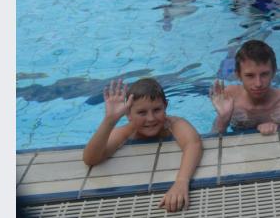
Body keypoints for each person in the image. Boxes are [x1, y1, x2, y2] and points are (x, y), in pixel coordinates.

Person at [83, 78, 202, 213]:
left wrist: (181, 182)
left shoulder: (174, 124)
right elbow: (90, 159)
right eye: (142, 113)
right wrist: (110, 120)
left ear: (166, 107)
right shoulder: (126, 132)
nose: (150, 118)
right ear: (128, 114)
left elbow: (193, 144)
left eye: (157, 110)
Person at [209, 40, 280, 135]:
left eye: (264, 74)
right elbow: (214, 137)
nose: (258, 84)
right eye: (250, 75)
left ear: (274, 73)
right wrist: (223, 118)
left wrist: (277, 128)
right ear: (238, 75)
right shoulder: (229, 97)